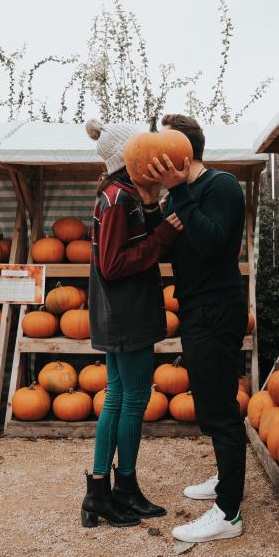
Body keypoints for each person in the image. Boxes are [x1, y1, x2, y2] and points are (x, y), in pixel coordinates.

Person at [144, 114, 247, 543]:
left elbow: (211, 242)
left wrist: (179, 193)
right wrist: (154, 203)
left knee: (221, 408)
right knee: (207, 402)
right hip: (195, 308)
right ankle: (225, 481)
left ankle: (229, 514)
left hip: (218, 309)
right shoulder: (180, 195)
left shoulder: (220, 186)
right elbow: (165, 246)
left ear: (179, 153)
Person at [81, 118, 182, 528]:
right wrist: (163, 240)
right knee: (133, 398)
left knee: (118, 397)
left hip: (116, 313)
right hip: (127, 315)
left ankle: (103, 492)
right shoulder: (119, 198)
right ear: (130, 157)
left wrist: (155, 208)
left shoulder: (119, 194)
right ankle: (116, 488)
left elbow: (128, 242)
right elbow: (113, 263)